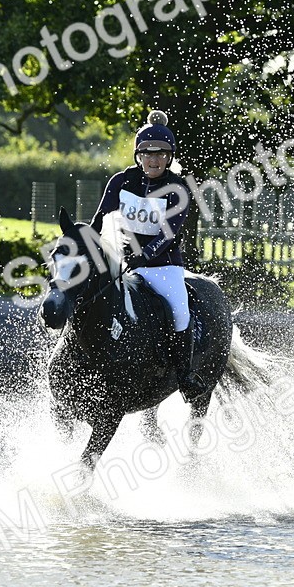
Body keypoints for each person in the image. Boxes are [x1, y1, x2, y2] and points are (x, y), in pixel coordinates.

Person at [90, 109, 205, 399]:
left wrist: (143, 256)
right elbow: (100, 218)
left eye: (160, 154)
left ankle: (185, 374)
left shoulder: (177, 188)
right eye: (147, 154)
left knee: (179, 311)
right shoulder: (120, 181)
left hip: (162, 266)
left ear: (169, 157)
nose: (153, 160)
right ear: (138, 156)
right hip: (120, 264)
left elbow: (169, 233)